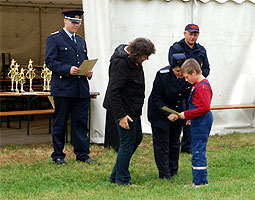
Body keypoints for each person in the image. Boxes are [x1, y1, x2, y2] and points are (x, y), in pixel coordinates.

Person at [45, 10, 99, 165]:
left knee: (81, 123)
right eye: (73, 22)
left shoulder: (81, 41)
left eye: (78, 23)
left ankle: (82, 154)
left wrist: (88, 72)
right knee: (60, 122)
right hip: (63, 88)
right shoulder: (55, 39)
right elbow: (50, 61)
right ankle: (58, 155)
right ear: (65, 21)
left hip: (81, 89)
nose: (76, 25)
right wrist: (67, 69)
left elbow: (84, 60)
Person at [103, 38, 155, 185]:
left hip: (133, 108)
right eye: (145, 56)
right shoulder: (120, 62)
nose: (147, 58)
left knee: (137, 138)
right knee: (127, 142)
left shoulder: (133, 59)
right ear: (136, 53)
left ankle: (115, 175)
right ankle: (123, 179)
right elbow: (114, 91)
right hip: (123, 109)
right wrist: (121, 116)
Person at [148, 53, 192, 180]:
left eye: (182, 71)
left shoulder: (187, 77)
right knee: (162, 144)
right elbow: (156, 99)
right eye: (177, 71)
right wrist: (167, 114)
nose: (180, 73)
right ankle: (164, 174)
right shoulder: (162, 75)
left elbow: (186, 97)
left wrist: (187, 114)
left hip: (178, 113)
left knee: (174, 143)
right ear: (172, 68)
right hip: (160, 113)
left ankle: (174, 171)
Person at [168, 23, 210, 154]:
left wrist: (197, 78)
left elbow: (206, 68)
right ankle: (174, 143)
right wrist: (184, 78)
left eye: (195, 34)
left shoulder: (201, 50)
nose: (193, 37)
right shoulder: (176, 47)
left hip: (194, 88)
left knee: (192, 115)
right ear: (184, 33)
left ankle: (188, 147)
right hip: (179, 87)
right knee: (179, 115)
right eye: (190, 34)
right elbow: (173, 67)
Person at [178, 58, 213, 187]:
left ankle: (200, 182)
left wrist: (187, 114)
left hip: (202, 121)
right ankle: (197, 180)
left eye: (187, 77)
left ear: (194, 72)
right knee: (196, 148)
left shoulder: (202, 86)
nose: (186, 80)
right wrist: (190, 117)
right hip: (197, 119)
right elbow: (197, 106)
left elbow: (205, 108)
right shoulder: (197, 85)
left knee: (198, 150)